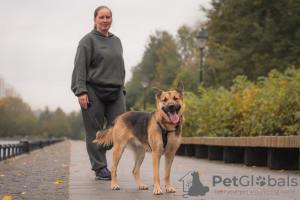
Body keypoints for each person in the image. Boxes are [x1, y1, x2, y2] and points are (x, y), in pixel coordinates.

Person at [71, 6, 126, 180]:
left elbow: (120, 66)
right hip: (93, 90)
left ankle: (101, 149)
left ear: (111, 19)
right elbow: (80, 68)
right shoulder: (87, 41)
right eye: (101, 17)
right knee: (94, 131)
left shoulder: (117, 41)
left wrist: (122, 87)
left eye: (108, 17)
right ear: (95, 20)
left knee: (121, 129)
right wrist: (81, 91)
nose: (105, 20)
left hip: (115, 91)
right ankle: (100, 167)